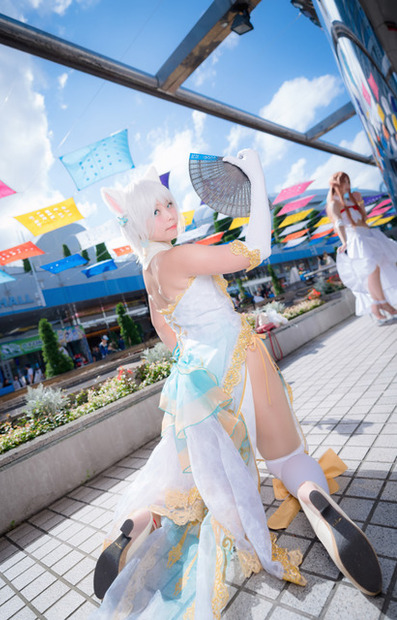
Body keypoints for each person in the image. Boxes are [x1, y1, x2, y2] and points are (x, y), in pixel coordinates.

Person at [93, 151, 382, 618]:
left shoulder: (150, 273)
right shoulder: (181, 254)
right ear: (139, 224)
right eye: (157, 211)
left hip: (195, 381)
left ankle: (135, 525)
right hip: (239, 358)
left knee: (185, 484)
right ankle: (316, 504)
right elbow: (256, 250)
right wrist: (257, 176)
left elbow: (168, 333)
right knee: (286, 457)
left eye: (169, 203)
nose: (170, 214)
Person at [326, 172, 397, 320]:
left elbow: (364, 219)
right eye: (344, 182)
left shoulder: (349, 200)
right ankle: (381, 304)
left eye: (348, 181)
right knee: (371, 270)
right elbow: (338, 223)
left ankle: (378, 304)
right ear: (337, 184)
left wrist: (360, 203)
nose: (348, 185)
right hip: (356, 237)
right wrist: (344, 241)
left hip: (367, 234)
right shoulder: (334, 203)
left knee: (378, 269)